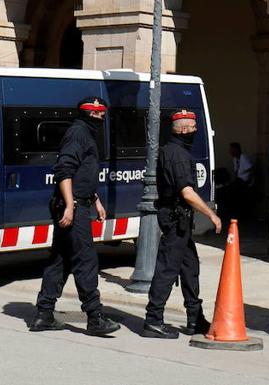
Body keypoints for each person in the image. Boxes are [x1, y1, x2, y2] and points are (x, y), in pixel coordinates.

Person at [29, 97, 120, 336]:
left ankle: (44, 314)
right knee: (85, 260)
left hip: (79, 202)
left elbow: (83, 175)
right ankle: (95, 317)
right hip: (73, 207)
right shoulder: (79, 133)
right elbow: (64, 170)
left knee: (60, 260)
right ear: (91, 115)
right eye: (100, 116)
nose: (102, 120)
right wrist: (71, 205)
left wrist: (95, 200)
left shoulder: (85, 133)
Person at [142, 109, 222, 339]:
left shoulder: (173, 150)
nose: (195, 132)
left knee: (189, 268)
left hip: (179, 221)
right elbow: (186, 192)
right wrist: (211, 214)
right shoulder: (178, 155)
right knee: (167, 270)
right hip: (175, 219)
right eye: (194, 129)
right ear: (185, 130)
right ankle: (153, 320)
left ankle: (195, 319)